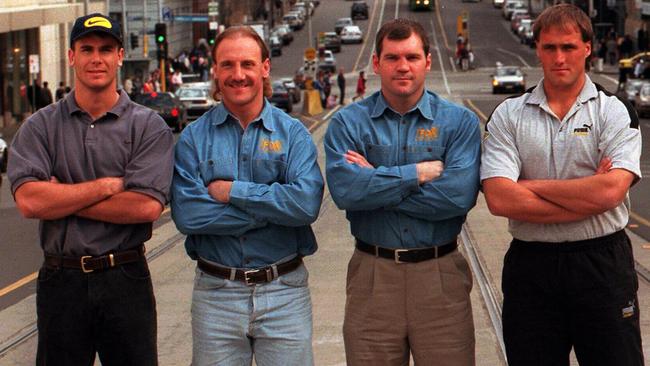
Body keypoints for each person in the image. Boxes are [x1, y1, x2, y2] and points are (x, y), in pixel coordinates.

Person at [480, 4, 644, 366]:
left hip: (602, 264)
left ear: (588, 47)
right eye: (550, 47)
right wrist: (588, 193)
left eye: (568, 47)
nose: (559, 57)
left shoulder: (614, 110)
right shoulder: (509, 115)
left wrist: (529, 185)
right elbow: (499, 198)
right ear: (537, 48)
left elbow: (610, 192)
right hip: (531, 267)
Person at [7, 13, 174, 366]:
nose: (95, 58)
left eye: (105, 49)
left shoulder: (149, 127)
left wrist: (62, 197)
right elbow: (29, 200)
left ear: (119, 56)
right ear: (71, 57)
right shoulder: (39, 127)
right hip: (60, 280)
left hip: (125, 278)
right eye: (86, 49)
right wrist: (105, 187)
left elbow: (144, 208)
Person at [324, 19, 481, 366]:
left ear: (428, 60)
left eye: (411, 56)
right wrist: (417, 173)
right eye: (392, 58)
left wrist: (376, 180)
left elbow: (456, 197)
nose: (403, 66)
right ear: (377, 63)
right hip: (373, 275)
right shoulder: (347, 124)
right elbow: (347, 192)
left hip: (440, 276)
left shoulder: (459, 123)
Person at [171, 26, 324, 365]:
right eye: (227, 65)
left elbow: (306, 204)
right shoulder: (193, 139)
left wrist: (232, 191)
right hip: (216, 295)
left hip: (285, 292)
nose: (237, 75)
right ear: (215, 70)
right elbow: (188, 215)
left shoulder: (293, 135)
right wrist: (272, 209)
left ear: (265, 68)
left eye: (247, 64)